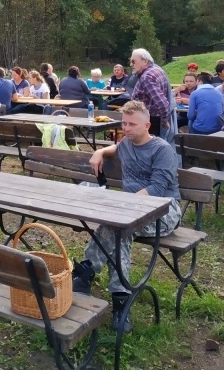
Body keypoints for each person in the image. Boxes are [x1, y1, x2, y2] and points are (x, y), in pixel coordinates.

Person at [71, 101, 181, 329]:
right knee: (120, 229)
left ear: (147, 125)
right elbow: (114, 149)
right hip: (130, 209)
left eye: (132, 124)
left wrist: (123, 205)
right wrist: (99, 151)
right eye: (124, 123)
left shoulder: (162, 150)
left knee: (119, 226)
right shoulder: (126, 144)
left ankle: (85, 273)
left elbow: (156, 190)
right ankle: (120, 301)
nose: (127, 128)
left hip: (164, 210)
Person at [129, 48, 172, 137]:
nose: (131, 64)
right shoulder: (157, 70)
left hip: (149, 122)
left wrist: (165, 121)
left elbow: (162, 103)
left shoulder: (147, 77)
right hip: (152, 120)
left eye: (133, 61)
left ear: (145, 61)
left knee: (147, 146)